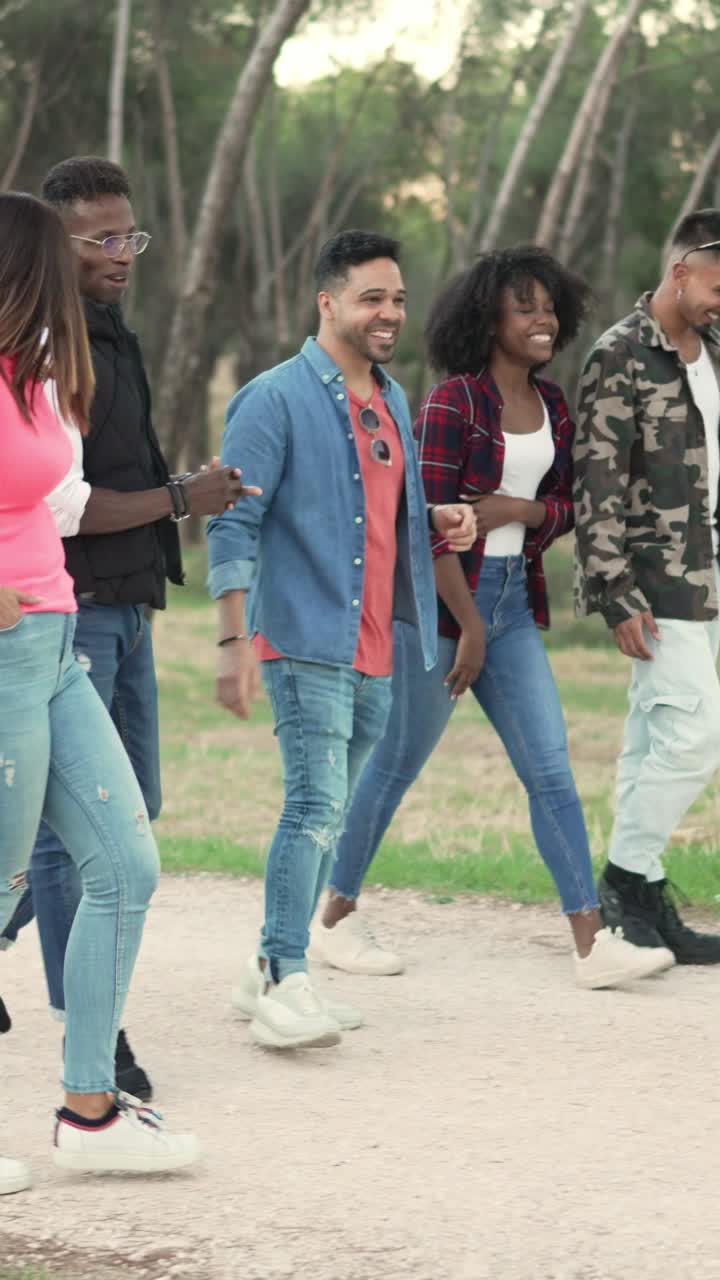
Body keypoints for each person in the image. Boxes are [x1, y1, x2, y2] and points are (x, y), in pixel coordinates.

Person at [309, 245, 674, 989]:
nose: (542, 320)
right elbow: (428, 523)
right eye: (524, 307)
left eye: (549, 307)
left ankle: (591, 943)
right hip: (440, 611)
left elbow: (572, 506)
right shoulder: (453, 402)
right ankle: (332, 921)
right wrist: (467, 627)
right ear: (488, 318)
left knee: (550, 770)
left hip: (509, 605)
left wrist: (522, 510)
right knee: (394, 769)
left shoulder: (555, 406)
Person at [1, 156, 253, 1097]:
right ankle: (91, 1042)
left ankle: (83, 1071)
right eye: (99, 238)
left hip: (108, 613)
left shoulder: (104, 343)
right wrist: (183, 496)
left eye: (130, 236)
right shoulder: (46, 359)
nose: (123, 253)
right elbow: (69, 504)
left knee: (122, 824)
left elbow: (78, 487)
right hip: (54, 620)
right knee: (62, 850)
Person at [208, 229, 476, 1049]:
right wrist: (230, 644)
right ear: (328, 303)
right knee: (314, 806)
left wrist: (435, 518)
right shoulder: (273, 397)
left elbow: (374, 510)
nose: (389, 312)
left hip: (378, 643)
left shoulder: (394, 400)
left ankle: (265, 970)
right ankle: (289, 978)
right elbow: (232, 521)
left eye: (397, 297)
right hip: (304, 635)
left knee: (331, 811)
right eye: (372, 297)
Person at [0, 190, 198, 1193]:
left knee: (125, 861)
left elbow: (61, 496)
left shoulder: (35, 374)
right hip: (0, 651)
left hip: (57, 637)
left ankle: (90, 1107)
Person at [573, 210, 720, 963]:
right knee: (697, 737)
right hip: (659, 582)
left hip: (713, 574)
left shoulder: (715, 351)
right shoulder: (621, 354)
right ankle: (626, 880)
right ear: (682, 268)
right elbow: (596, 484)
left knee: (653, 739)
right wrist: (613, 592)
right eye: (718, 284)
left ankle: (647, 903)